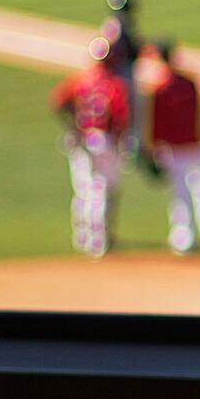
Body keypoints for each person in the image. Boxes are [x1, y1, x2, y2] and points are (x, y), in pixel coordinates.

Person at [49, 37, 132, 258]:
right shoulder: (115, 84)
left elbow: (57, 101)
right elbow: (122, 117)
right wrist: (120, 141)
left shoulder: (81, 80)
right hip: (104, 140)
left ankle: (82, 236)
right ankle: (98, 240)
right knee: (100, 189)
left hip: (82, 140)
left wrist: (73, 127)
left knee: (83, 189)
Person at [142, 40, 200, 255]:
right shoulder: (190, 83)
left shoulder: (160, 88)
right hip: (196, 143)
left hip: (174, 148)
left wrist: (153, 149)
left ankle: (184, 238)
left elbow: (156, 122)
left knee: (181, 194)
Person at [98, 0, 148, 167]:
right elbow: (103, 51)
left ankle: (132, 146)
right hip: (121, 76)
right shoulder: (115, 27)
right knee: (129, 111)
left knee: (134, 111)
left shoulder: (122, 24)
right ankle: (129, 148)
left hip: (125, 73)